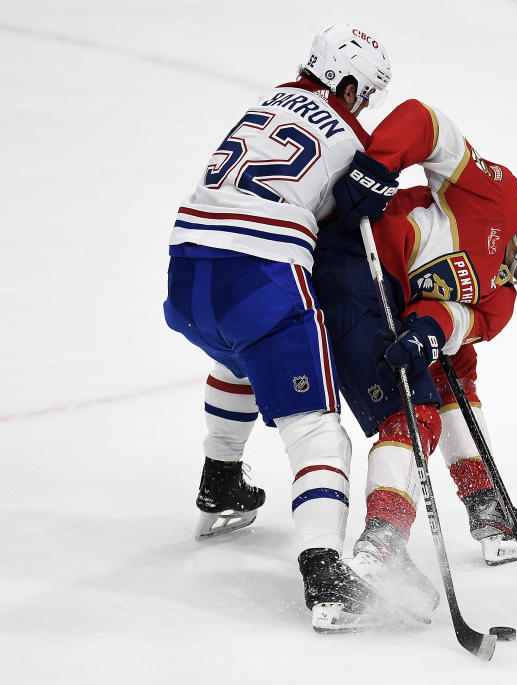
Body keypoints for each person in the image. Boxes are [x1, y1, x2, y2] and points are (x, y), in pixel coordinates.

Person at [310, 97, 517, 628]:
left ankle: (485, 506)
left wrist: (427, 332)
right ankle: (382, 543)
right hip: (353, 260)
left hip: (388, 303)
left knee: (454, 370)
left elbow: (453, 322)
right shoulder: (499, 196)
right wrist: (378, 165)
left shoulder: (503, 301)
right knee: (418, 410)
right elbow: (423, 120)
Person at [163, 24, 403, 625]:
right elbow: (349, 215)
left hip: (186, 267)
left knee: (239, 350)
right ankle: (324, 575)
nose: (364, 104)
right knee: (318, 428)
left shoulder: (264, 102)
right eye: (364, 92)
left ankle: (220, 478)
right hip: (260, 271)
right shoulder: (352, 137)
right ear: (346, 83)